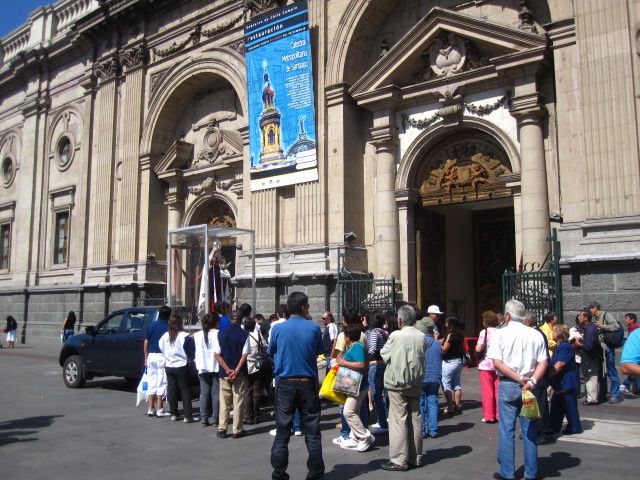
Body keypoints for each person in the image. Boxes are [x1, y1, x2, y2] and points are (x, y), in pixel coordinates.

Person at [487, 298, 547, 480]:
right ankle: (531, 472)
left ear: (507, 315)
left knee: (506, 430)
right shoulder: (535, 334)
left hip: (508, 384)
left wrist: (518, 378)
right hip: (529, 387)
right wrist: (532, 381)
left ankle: (507, 472)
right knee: (529, 431)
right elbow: (543, 361)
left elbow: (497, 362)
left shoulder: (500, 334)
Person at [269, 291, 325, 480]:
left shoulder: (277, 329)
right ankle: (316, 474)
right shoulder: (314, 328)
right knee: (313, 432)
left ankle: (279, 474)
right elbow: (319, 352)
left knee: (282, 431)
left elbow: (271, 351)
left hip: (284, 383)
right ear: (303, 308)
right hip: (307, 382)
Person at [379, 305, 427, 472]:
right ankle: (416, 457)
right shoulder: (421, 336)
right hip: (415, 381)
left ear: (400, 320)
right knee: (415, 418)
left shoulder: (395, 336)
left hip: (397, 382)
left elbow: (384, 354)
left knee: (398, 420)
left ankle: (399, 460)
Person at [332, 308, 369, 446]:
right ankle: (359, 433)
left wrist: (341, 361)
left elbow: (339, 355)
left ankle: (348, 434)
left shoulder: (344, 336)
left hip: (351, 378)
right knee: (359, 408)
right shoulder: (363, 335)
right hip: (360, 377)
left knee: (346, 409)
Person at [336, 323, 375, 452]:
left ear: (348, 337)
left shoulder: (357, 347)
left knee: (348, 412)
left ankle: (365, 435)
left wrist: (343, 362)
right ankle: (356, 436)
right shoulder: (354, 346)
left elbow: (361, 364)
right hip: (356, 385)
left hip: (357, 385)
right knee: (355, 411)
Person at [215, 309, 250, 439]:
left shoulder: (221, 333)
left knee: (224, 401)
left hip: (224, 372)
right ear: (242, 320)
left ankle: (222, 428)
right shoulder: (245, 334)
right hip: (239, 373)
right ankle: (237, 429)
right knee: (238, 401)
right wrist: (236, 370)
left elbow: (217, 354)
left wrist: (227, 369)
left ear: (230, 319)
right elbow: (245, 354)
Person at [159, 314, 195, 423]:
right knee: (185, 390)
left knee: (172, 389)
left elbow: (161, 348)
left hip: (169, 365)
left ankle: (174, 413)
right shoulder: (184, 336)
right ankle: (188, 415)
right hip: (182, 365)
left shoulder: (165, 336)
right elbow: (191, 351)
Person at [549, 324, 582, 435]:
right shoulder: (559, 346)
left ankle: (574, 427)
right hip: (560, 382)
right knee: (557, 406)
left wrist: (548, 375)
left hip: (566, 382)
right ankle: (554, 426)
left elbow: (560, 364)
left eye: (553, 331)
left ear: (559, 334)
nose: (551, 334)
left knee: (569, 406)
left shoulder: (564, 346)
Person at [589, 301, 624, 403]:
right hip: (600, 349)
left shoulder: (606, 315)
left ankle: (615, 394)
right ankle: (603, 394)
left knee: (611, 371)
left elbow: (616, 326)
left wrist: (602, 326)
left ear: (596, 308)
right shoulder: (594, 318)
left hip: (607, 348)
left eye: (591, 307)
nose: (590, 310)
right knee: (601, 372)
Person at [143, 305, 171, 417]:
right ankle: (160, 409)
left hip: (151, 356)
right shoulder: (167, 327)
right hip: (162, 357)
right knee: (162, 383)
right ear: (168, 315)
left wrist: (146, 357)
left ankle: (150, 409)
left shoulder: (151, 325)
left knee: (152, 382)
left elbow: (145, 342)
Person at [194, 312, 220, 427]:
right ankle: (215, 418)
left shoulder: (197, 335)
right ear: (216, 323)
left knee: (204, 393)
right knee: (216, 394)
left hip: (202, 366)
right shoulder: (218, 333)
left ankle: (204, 418)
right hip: (215, 366)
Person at [366, 311, 389, 435]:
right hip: (384, 364)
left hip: (375, 364)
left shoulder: (374, 332)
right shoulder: (386, 332)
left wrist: (366, 358)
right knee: (384, 394)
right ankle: (384, 418)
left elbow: (372, 348)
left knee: (376, 394)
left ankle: (382, 422)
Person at [475, 310, 499, 423]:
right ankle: (499, 414)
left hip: (485, 364)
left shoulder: (483, 333)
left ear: (485, 322)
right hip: (498, 364)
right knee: (498, 390)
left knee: (487, 391)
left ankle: (489, 415)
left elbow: (478, 349)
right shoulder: (501, 332)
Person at [420, 316, 442, 439]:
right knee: (433, 402)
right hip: (434, 377)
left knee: (421, 403)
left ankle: (422, 430)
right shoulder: (437, 343)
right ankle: (433, 430)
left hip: (422, 377)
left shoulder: (420, 342)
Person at [243, 315, 267, 425]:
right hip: (257, 365)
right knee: (256, 391)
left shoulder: (242, 335)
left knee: (247, 390)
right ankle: (256, 415)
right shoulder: (257, 334)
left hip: (245, 364)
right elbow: (265, 345)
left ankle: (247, 416)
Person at [575, 309, 601, 405]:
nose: (579, 317)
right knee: (590, 377)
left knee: (591, 377)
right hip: (590, 357)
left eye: (580, 316)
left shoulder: (590, 328)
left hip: (590, 358)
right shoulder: (589, 327)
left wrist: (580, 344)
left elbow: (589, 346)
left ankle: (591, 399)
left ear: (586, 317)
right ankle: (591, 397)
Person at [441, 315, 464, 414]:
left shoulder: (451, 334)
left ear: (450, 324)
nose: (445, 324)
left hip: (449, 362)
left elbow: (445, 349)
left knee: (446, 385)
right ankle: (457, 406)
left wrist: (438, 344)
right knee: (457, 384)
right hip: (458, 361)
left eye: (446, 322)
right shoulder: (460, 334)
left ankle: (450, 407)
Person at [620, 313, 639, 394]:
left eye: (627, 318)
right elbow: (625, 367)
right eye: (625, 318)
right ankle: (628, 386)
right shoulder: (634, 331)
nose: (625, 320)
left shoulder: (635, 329)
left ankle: (627, 385)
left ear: (632, 320)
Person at [321, 311, 338, 375]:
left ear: (329, 319)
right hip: (327, 355)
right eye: (322, 318)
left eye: (324, 318)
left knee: (330, 374)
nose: (322, 320)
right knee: (328, 374)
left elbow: (334, 341)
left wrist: (331, 356)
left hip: (330, 355)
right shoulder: (328, 327)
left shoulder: (331, 326)